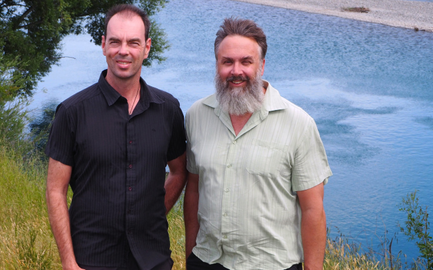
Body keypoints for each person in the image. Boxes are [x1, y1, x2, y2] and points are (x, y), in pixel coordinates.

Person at [45, 4, 187, 270]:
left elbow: (179, 171)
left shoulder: (168, 109)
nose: (124, 51)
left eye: (133, 42)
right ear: (103, 45)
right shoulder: (72, 112)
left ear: (146, 47)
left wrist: (151, 216)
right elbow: (55, 190)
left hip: (153, 258)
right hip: (92, 259)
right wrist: (69, 263)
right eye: (115, 42)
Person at [184, 18, 332, 270]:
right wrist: (190, 258)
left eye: (246, 61)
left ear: (261, 66)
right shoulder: (197, 115)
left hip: (272, 265)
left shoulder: (299, 124)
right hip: (207, 260)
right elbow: (195, 190)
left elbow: (312, 210)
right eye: (227, 62)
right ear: (217, 65)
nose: (236, 71)